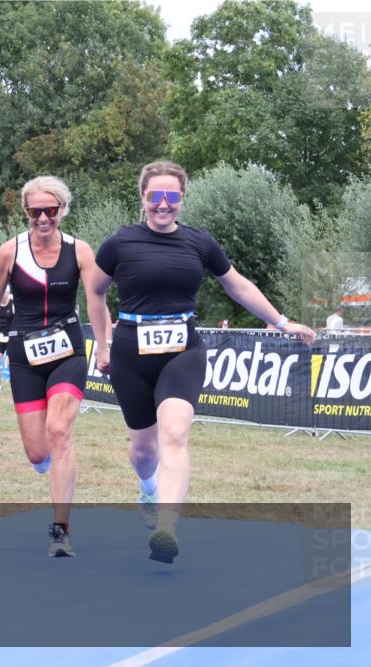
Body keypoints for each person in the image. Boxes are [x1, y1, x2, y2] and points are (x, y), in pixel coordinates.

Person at [87, 161, 315, 564]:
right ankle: (147, 489)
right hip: (130, 351)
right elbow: (96, 291)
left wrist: (281, 322)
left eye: (171, 197)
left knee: (174, 434)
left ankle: (167, 529)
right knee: (143, 451)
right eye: (155, 196)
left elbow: (237, 285)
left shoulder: (199, 242)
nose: (163, 204)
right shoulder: (120, 242)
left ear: (182, 199)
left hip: (183, 349)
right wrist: (103, 344)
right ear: (142, 198)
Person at [0, 176, 110, 557]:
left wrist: (105, 346)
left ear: (62, 210)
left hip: (68, 352)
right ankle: (46, 464)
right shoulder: (9, 252)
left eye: (51, 210)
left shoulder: (80, 251)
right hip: (24, 357)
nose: (43, 218)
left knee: (59, 432)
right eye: (34, 211)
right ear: (25, 212)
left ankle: (60, 529)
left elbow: (96, 301)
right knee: (36, 451)